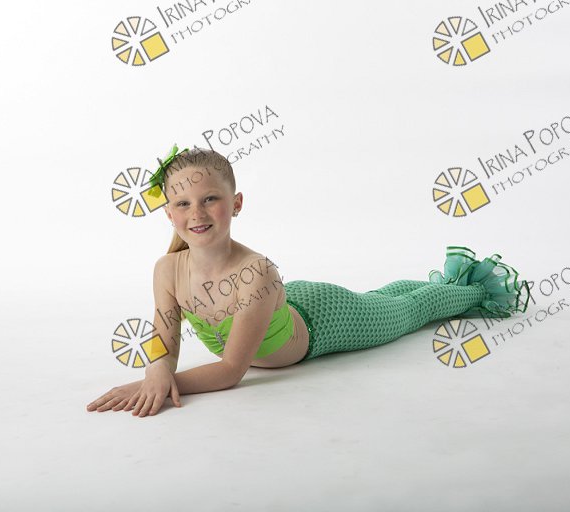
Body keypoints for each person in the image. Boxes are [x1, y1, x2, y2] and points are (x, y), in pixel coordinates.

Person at [87, 146, 531, 417]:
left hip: (328, 320)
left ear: (236, 203)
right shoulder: (166, 270)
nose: (197, 213)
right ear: (168, 213)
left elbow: (232, 371)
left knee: (408, 311)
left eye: (210, 199)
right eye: (183, 203)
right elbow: (165, 344)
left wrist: (159, 386)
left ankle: (473, 288)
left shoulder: (256, 271)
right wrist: (156, 370)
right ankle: (430, 282)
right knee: (385, 296)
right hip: (282, 305)